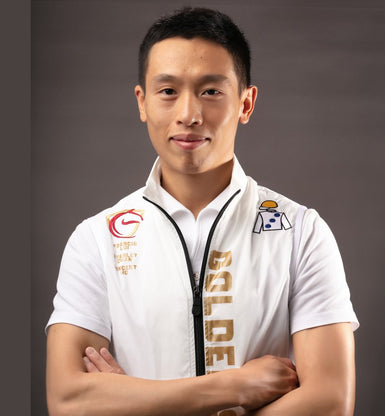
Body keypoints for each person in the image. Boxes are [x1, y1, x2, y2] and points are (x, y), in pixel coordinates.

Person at [46, 7, 359, 416]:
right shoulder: (97, 239)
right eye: (168, 91)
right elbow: (68, 400)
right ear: (142, 102)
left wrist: (132, 401)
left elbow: (330, 402)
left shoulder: (301, 232)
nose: (189, 115)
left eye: (210, 91)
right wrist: (235, 386)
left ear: (246, 103)